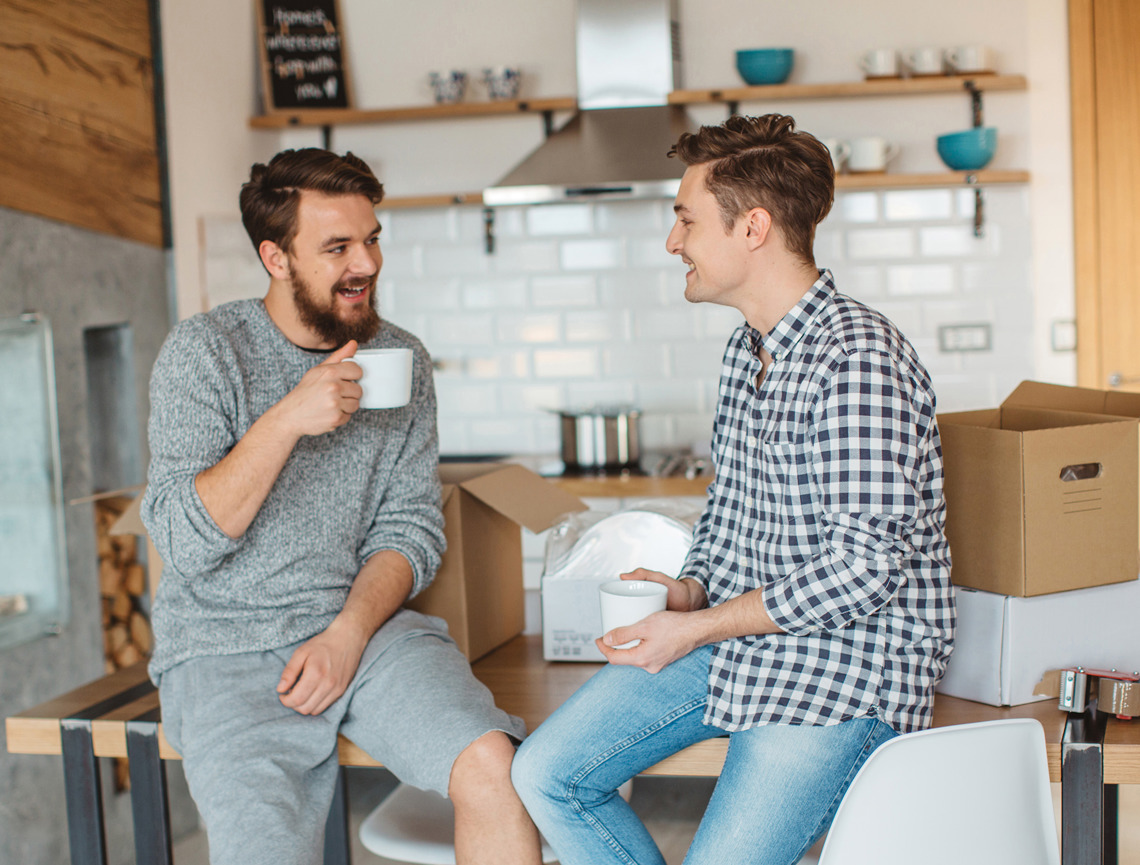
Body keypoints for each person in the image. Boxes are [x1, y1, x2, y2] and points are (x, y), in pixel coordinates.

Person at [510, 113, 955, 865]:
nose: (672, 240)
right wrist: (691, 590)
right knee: (546, 773)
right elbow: (732, 508)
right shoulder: (746, 350)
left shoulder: (858, 359)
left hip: (843, 669)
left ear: (753, 227)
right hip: (742, 640)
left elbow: (866, 567)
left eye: (685, 218)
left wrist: (698, 626)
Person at [141, 148, 541, 865]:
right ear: (276, 257)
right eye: (337, 247)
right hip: (225, 647)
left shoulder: (401, 359)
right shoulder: (205, 353)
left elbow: (409, 529)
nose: (366, 262)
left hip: (367, 631)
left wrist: (348, 634)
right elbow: (185, 540)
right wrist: (286, 419)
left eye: (372, 238)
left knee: (495, 769)